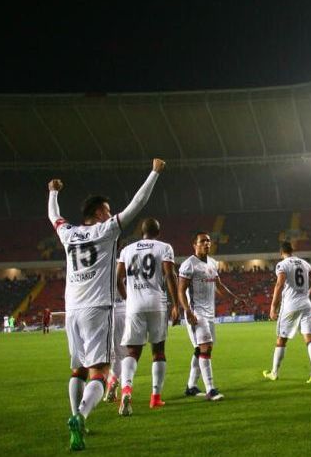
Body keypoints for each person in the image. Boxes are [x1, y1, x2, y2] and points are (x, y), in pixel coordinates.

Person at [47, 158, 164, 451]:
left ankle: (76, 416)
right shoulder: (106, 230)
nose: (111, 214)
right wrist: (154, 173)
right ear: (99, 213)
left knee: (77, 369)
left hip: (71, 310)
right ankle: (80, 416)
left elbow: (54, 216)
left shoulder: (68, 233)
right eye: (108, 210)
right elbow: (137, 204)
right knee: (99, 372)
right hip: (98, 309)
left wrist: (53, 192)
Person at [115, 218, 179, 415]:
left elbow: (118, 279)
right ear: (158, 232)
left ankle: (126, 389)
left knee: (132, 352)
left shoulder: (127, 250)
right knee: (158, 351)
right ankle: (155, 398)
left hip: (134, 306)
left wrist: (129, 299)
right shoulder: (164, 247)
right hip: (156, 304)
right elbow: (170, 275)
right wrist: (176, 305)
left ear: (141, 232)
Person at [178, 232, 239, 401]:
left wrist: (233, 298)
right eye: (202, 241)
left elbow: (219, 285)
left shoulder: (213, 263)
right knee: (206, 347)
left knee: (202, 349)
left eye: (208, 241)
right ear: (195, 245)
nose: (206, 243)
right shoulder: (189, 264)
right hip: (196, 312)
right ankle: (211, 390)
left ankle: (191, 386)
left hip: (210, 313)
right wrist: (187, 311)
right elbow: (180, 290)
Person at [263, 241, 311, 383]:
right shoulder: (304, 263)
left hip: (290, 305)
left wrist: (273, 307)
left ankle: (274, 373)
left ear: (281, 253)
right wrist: (308, 293)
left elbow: (279, 284)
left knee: (281, 339)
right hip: (306, 304)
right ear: (292, 250)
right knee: (310, 338)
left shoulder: (282, 265)